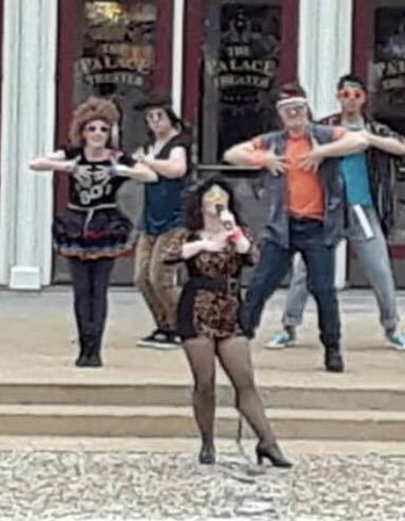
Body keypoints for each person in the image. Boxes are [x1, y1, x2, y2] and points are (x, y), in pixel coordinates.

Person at [223, 82, 369, 373]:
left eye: (298, 109)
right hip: (283, 225)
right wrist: (262, 159)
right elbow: (233, 154)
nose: (294, 115)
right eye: (288, 110)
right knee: (260, 286)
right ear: (280, 115)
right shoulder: (273, 142)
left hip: (318, 225)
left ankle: (332, 348)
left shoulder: (323, 135)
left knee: (323, 290)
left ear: (306, 110)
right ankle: (238, 343)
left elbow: (360, 141)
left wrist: (323, 152)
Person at [266, 75, 405, 352]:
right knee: (305, 272)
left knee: (379, 269)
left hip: (361, 207)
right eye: (345, 94)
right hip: (326, 209)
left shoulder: (374, 129)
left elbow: (403, 147)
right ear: (338, 97)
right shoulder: (323, 128)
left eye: (356, 95)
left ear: (364, 98)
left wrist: (368, 138)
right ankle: (289, 326)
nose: (351, 100)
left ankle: (392, 326)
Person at [162, 178, 291, 468]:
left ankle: (268, 441)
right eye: (211, 197)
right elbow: (169, 256)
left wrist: (232, 233)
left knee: (244, 380)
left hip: (230, 308)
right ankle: (207, 442)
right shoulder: (188, 235)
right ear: (201, 204)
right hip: (198, 307)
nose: (217, 201)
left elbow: (251, 255)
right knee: (205, 381)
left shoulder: (237, 232)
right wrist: (203, 245)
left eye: (222, 197)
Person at [30, 97, 157, 367]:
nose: (98, 134)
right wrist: (65, 167)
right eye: (92, 129)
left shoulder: (116, 158)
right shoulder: (73, 154)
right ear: (83, 131)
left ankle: (95, 348)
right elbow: (35, 163)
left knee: (99, 289)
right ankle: (83, 347)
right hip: (76, 224)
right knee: (81, 290)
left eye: (103, 129)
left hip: (105, 224)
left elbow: (150, 175)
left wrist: (121, 170)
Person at [132, 95, 192, 350]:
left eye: (160, 116)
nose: (155, 121)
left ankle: (183, 326)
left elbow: (177, 169)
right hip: (150, 219)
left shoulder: (179, 144)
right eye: (150, 117)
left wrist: (147, 162)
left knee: (160, 276)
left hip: (176, 219)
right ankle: (164, 325)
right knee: (141, 277)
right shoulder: (149, 146)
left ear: (170, 117)